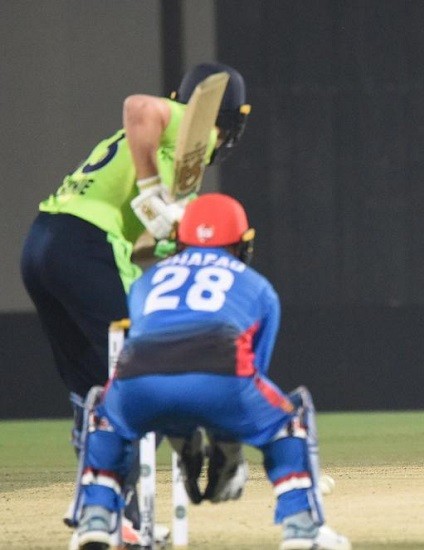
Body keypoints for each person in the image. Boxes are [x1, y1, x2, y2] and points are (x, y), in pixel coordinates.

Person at [19, 61, 250, 543]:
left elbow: (140, 244)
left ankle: (108, 512)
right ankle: (104, 504)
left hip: (43, 246)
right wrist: (149, 191)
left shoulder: (165, 150)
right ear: (226, 120)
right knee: (148, 371)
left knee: (94, 386)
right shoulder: (188, 125)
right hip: (86, 245)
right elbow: (138, 106)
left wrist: (166, 236)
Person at [71, 193, 351, 550]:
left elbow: (158, 353)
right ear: (241, 243)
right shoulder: (258, 287)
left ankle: (96, 518)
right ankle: (302, 527)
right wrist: (228, 450)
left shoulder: (147, 281)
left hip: (138, 376)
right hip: (222, 375)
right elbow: (252, 372)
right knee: (291, 417)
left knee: (103, 416)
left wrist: (181, 434)